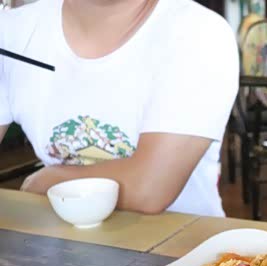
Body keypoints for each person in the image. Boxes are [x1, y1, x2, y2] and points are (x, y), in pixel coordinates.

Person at [0, 0, 239, 216]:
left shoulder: (198, 33)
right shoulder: (13, 33)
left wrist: (48, 180)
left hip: (179, 243)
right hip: (60, 237)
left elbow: (148, 189)